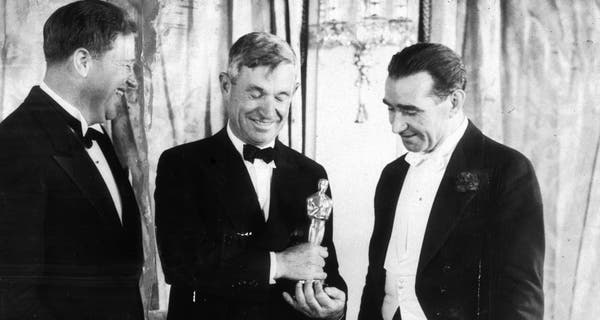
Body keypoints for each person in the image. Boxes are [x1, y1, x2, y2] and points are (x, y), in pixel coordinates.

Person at [155, 31, 347, 320]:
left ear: (293, 93)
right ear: (226, 85)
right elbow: (180, 264)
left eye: (281, 96)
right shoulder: (181, 164)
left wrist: (335, 308)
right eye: (256, 93)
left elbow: (323, 267)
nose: (269, 111)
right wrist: (278, 264)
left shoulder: (312, 174)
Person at [0, 1, 143, 319]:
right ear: (83, 61)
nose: (132, 80)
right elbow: (11, 305)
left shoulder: (96, 133)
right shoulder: (11, 149)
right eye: (125, 65)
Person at [358, 43, 544, 320]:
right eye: (391, 109)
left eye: (410, 111)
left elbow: (521, 300)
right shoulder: (393, 175)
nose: (396, 126)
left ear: (454, 102)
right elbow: (377, 283)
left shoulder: (508, 170)